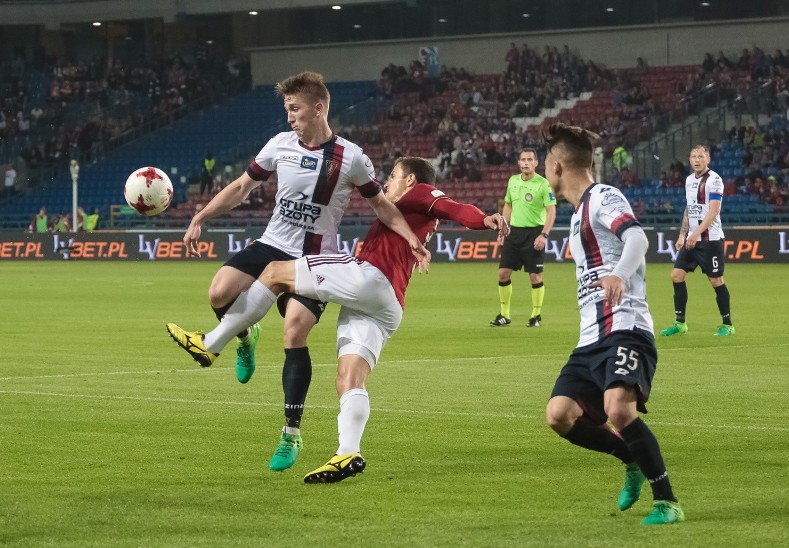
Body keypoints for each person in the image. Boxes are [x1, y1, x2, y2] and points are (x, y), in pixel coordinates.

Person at [167, 157, 506, 483]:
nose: (387, 183)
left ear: (411, 180)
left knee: (272, 272)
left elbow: (452, 207)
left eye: (392, 177)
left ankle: (212, 343)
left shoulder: (419, 193)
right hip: (387, 306)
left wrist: (483, 220)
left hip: (370, 279)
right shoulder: (407, 214)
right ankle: (348, 451)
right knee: (349, 379)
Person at [177, 71, 427, 473]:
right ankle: (245, 335)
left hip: (315, 256)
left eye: (295, 110)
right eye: (286, 110)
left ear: (319, 108)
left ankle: (291, 432)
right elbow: (242, 187)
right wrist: (201, 215)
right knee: (219, 293)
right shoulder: (279, 145)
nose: (290, 118)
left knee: (294, 329)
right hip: (272, 243)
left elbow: (381, 205)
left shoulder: (352, 157)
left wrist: (409, 235)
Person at [540, 122, 684, 525]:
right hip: (591, 337)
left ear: (555, 165)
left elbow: (638, 238)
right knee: (559, 415)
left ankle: (667, 502)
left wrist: (619, 273)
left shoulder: (603, 196)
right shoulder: (574, 215)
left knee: (618, 408)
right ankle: (631, 460)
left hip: (625, 326)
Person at [660, 144, 734, 337]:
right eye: (693, 156)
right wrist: (683, 234)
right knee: (676, 275)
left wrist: (695, 234)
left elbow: (714, 211)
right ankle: (680, 323)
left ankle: (727, 324)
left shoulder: (715, 180)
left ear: (708, 159)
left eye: (701, 156)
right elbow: (689, 208)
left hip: (711, 240)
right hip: (692, 239)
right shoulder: (688, 180)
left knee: (716, 280)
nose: (697, 159)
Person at [490, 148, 556, 328]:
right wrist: (503, 229)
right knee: (503, 273)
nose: (525, 163)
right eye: (523, 160)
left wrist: (544, 235)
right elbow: (508, 205)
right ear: (519, 163)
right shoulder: (513, 181)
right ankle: (504, 315)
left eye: (529, 160)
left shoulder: (543, 184)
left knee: (535, 276)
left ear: (536, 163)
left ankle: (536, 315)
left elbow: (551, 211)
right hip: (513, 233)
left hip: (534, 233)